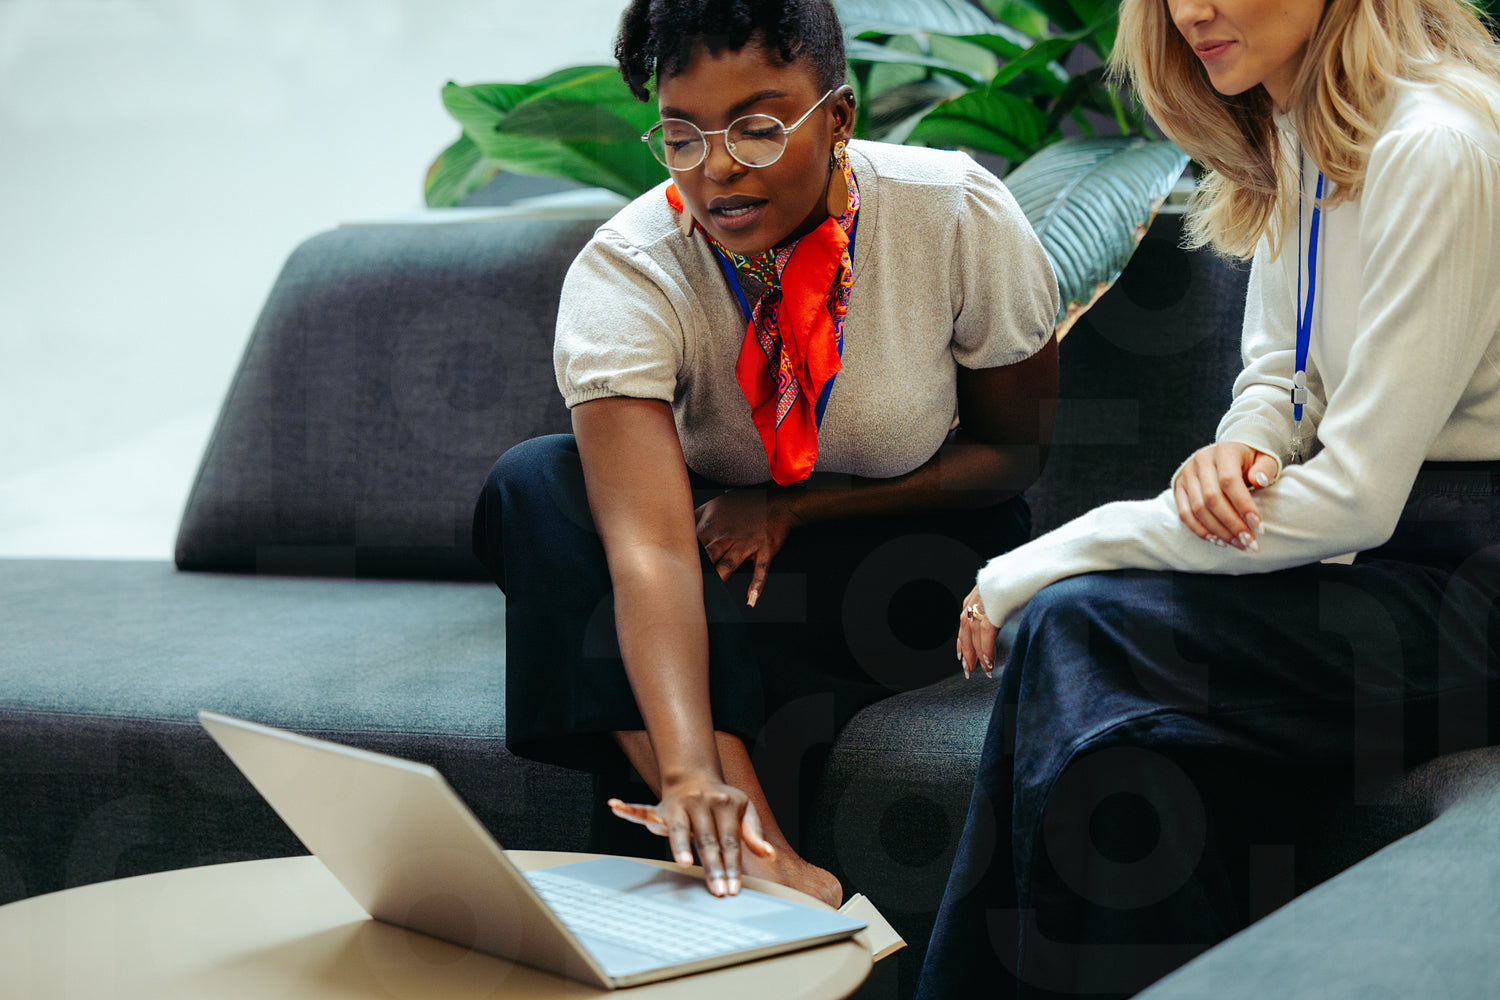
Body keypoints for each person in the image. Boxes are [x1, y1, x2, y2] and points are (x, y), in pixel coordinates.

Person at [917, 0, 1500, 995]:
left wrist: (1059, 549)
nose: (1191, 10)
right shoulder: (1300, 127)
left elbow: (1355, 496)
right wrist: (1243, 451)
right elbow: (1280, 374)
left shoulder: (1435, 144)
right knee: (1137, 766)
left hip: (1466, 593)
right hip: (1378, 570)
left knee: (1077, 623)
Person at [471, 0, 1059, 907]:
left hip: (916, 547)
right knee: (532, 484)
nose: (717, 170)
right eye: (682, 136)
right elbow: (650, 549)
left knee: (657, 640)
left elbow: (1011, 457)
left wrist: (796, 506)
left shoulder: (953, 212)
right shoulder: (631, 266)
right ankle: (753, 847)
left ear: (838, 117)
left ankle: (719, 875)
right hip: (711, 553)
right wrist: (685, 770)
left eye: (755, 128)